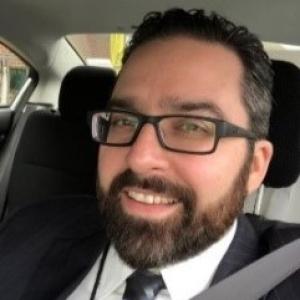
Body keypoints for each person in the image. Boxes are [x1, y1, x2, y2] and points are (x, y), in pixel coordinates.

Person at [0, 8, 299, 300]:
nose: (139, 157)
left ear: (254, 166)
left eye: (192, 127)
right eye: (123, 121)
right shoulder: (30, 230)